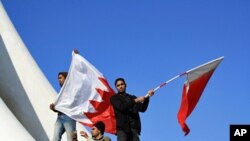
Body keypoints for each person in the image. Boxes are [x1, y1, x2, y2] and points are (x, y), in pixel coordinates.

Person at [50, 72, 76, 141]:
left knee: (71, 139)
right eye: (58, 78)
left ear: (66, 78)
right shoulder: (61, 92)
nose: (59, 80)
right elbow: (60, 107)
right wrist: (53, 108)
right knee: (55, 138)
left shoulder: (72, 90)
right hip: (60, 117)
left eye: (61, 78)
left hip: (69, 117)